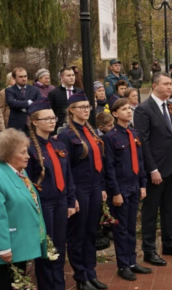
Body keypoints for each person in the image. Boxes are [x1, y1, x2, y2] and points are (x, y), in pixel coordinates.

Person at [134, 73, 172, 266]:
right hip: (156, 169)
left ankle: (168, 243)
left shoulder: (171, 107)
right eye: (166, 84)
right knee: (151, 211)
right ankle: (149, 250)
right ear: (155, 86)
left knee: (168, 208)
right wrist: (152, 169)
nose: (170, 87)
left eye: (171, 84)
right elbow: (144, 142)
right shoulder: (143, 109)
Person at [58, 92, 108, 290]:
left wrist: (102, 187)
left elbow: (100, 162)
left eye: (88, 107)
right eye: (81, 107)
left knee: (91, 232)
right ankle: (81, 276)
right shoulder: (66, 135)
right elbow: (66, 169)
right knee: (78, 234)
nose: (86, 110)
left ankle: (90, 272)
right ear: (71, 110)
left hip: (95, 187)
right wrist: (72, 197)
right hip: (79, 189)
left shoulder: (90, 131)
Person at [25, 99, 77, 290]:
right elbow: (27, 181)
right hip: (43, 204)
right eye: (46, 119)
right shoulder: (29, 148)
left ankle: (59, 284)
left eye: (53, 118)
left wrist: (71, 199)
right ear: (34, 122)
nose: (51, 121)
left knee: (60, 245)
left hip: (61, 201)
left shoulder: (58, 144)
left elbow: (68, 175)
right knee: (46, 248)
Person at [103, 98, 152, 281]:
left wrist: (142, 184)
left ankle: (132, 261)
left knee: (132, 226)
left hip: (134, 185)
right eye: (124, 109)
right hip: (121, 187)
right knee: (121, 229)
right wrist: (115, 192)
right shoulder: (111, 137)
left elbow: (139, 162)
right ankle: (123, 265)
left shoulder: (134, 133)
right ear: (115, 114)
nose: (129, 111)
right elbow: (109, 167)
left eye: (129, 108)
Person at [0, 128, 49, 289]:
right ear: (8, 154)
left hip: (20, 243)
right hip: (8, 247)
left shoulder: (20, 172)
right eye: (23, 152)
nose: (28, 156)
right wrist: (3, 247)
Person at [7, 67, 43, 131]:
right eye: (20, 77)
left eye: (25, 76)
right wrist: (29, 102)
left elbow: (40, 104)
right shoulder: (10, 90)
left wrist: (19, 103)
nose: (23, 79)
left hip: (33, 123)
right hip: (16, 124)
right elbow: (11, 103)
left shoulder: (35, 89)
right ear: (14, 78)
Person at [48, 67, 79, 133]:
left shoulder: (79, 92)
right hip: (60, 128)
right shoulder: (54, 93)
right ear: (62, 77)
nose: (72, 77)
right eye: (68, 75)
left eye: (73, 75)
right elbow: (51, 111)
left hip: (78, 126)